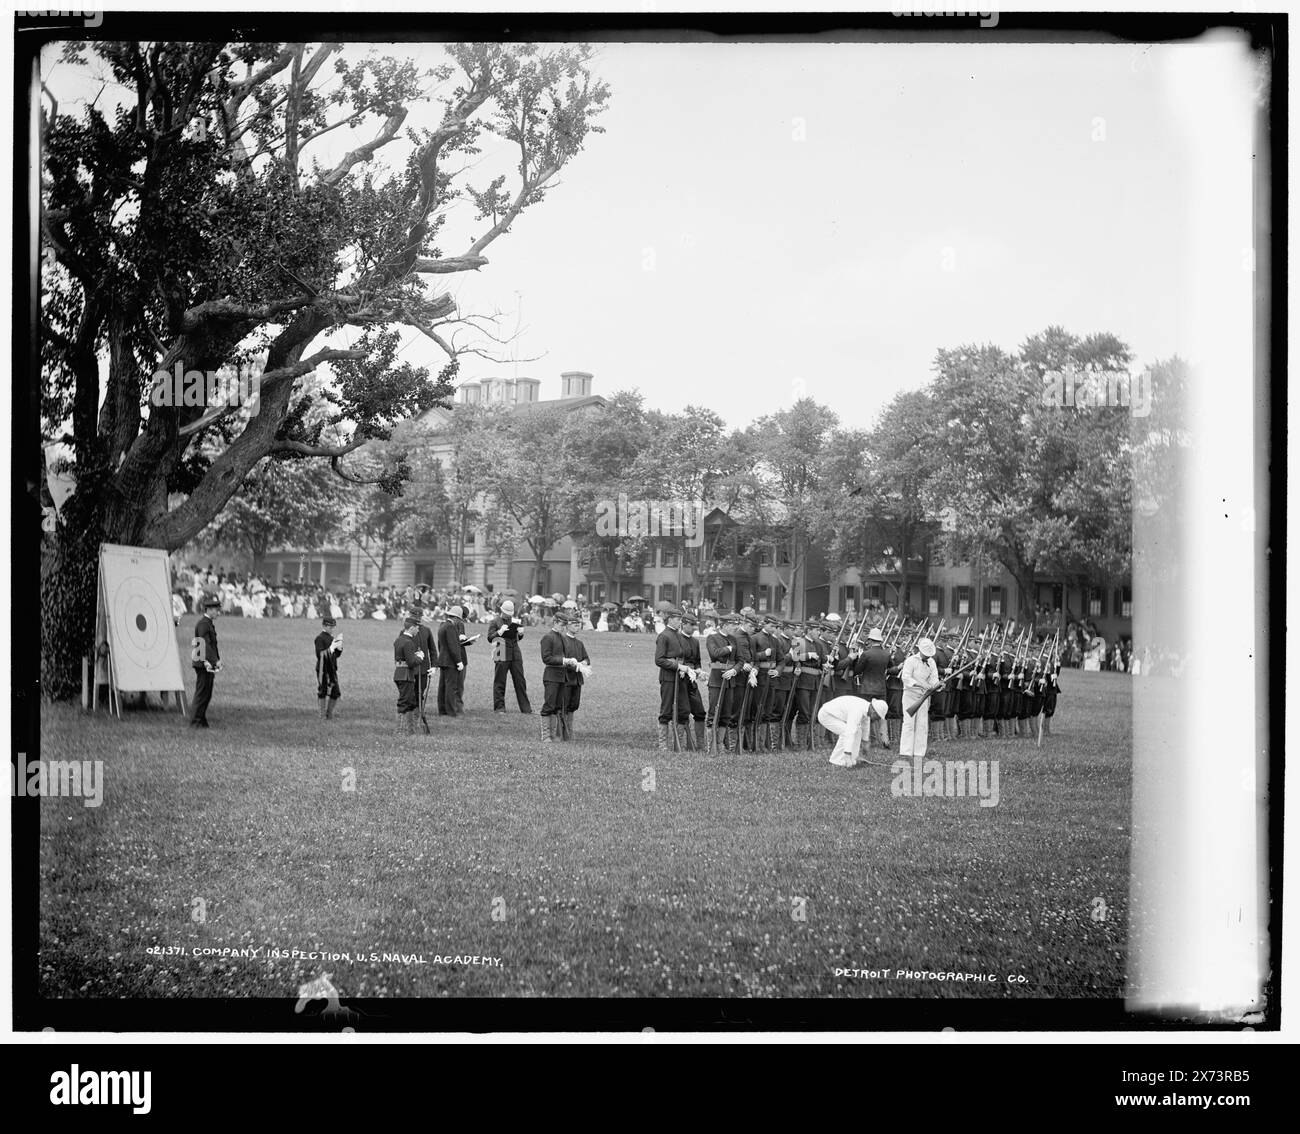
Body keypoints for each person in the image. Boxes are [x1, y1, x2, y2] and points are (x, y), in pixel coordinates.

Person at [818, 695, 889, 768]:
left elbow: (865, 725)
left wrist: (865, 742)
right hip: (826, 715)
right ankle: (836, 760)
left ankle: (853, 758)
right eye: (878, 717)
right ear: (874, 712)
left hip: (834, 715)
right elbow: (850, 732)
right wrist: (847, 754)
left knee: (858, 731)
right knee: (846, 731)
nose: (877, 719)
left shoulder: (866, 708)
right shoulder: (857, 710)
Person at [488, 599, 532, 714]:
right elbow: (490, 638)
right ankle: (499, 708)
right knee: (500, 680)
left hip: (515, 651)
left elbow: (516, 637)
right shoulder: (494, 622)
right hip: (500, 649)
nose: (509, 616)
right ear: (502, 611)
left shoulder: (515, 621)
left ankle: (526, 709)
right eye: (507, 613)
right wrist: (499, 632)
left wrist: (521, 634)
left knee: (520, 680)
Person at [899, 637, 940, 757]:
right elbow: (905, 677)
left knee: (922, 725)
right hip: (910, 695)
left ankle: (919, 753)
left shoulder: (931, 662)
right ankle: (906, 752)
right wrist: (919, 684)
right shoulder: (911, 660)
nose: (928, 656)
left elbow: (934, 678)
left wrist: (937, 685)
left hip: (924, 695)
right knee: (909, 723)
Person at [853, 625, 891, 749]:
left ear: (870, 640)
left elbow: (857, 670)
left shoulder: (866, 654)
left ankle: (868, 739)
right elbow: (891, 668)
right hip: (881, 688)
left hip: (867, 688)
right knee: (882, 715)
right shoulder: (886, 654)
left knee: (867, 715)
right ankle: (885, 740)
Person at [538, 610, 573, 745]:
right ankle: (546, 735)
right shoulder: (548, 637)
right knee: (549, 705)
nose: (564, 627)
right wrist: (563, 660)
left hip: (562, 677)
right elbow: (546, 658)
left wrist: (571, 662)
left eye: (565, 625)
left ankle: (554, 734)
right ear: (556, 622)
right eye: (562, 624)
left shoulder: (563, 638)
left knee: (557, 706)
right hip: (551, 676)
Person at [189, 593, 222, 728]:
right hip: (203, 663)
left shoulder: (207, 623)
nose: (217, 612)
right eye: (215, 609)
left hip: (206, 663)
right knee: (202, 693)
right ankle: (195, 721)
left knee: (206, 693)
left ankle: (201, 719)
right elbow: (205, 644)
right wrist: (215, 660)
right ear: (208, 610)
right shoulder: (204, 624)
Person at [559, 611, 591, 740]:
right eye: (574, 624)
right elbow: (561, 660)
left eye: (579, 624)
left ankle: (569, 732)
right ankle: (563, 733)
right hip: (566, 679)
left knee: (574, 705)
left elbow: (587, 659)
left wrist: (583, 663)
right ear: (567, 626)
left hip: (577, 680)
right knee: (564, 706)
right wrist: (574, 664)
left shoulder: (579, 643)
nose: (577, 626)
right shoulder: (563, 641)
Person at [393, 615, 425, 734]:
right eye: (417, 627)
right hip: (406, 675)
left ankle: (410, 730)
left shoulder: (398, 640)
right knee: (404, 702)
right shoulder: (408, 642)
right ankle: (399, 731)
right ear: (411, 628)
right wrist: (420, 657)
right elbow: (411, 662)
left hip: (399, 673)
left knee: (410, 702)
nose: (418, 630)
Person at [436, 606, 465, 716]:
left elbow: (440, 645)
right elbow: (453, 646)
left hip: (443, 659)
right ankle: (451, 711)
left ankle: (442, 710)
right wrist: (458, 661)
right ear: (456, 618)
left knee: (442, 686)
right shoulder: (451, 627)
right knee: (450, 687)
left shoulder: (442, 625)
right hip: (450, 661)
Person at [314, 615, 343, 721]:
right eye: (330, 627)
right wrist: (331, 649)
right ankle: (322, 715)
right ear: (324, 626)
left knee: (335, 692)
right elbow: (320, 654)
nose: (332, 629)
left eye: (333, 627)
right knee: (323, 690)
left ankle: (329, 714)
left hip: (332, 668)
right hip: (323, 669)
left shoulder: (332, 638)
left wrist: (339, 649)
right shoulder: (319, 638)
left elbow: (335, 656)